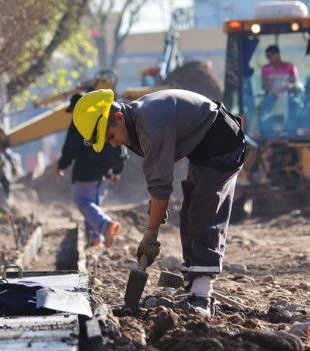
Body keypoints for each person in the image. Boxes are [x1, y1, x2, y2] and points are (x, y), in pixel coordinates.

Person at [72, 89, 246, 320]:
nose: (113, 145)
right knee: (189, 213)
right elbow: (158, 186)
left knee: (204, 213)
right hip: (202, 149)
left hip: (223, 143)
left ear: (118, 117)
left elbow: (162, 186)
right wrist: (156, 210)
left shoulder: (149, 126)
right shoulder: (134, 120)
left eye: (111, 136)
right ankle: (195, 286)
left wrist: (151, 233)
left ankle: (203, 294)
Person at [57, 93, 127, 248]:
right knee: (93, 205)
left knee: (83, 201)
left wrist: (62, 164)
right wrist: (117, 170)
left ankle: (106, 226)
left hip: (86, 170)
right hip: (104, 172)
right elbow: (119, 145)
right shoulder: (104, 118)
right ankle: (95, 240)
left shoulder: (80, 120)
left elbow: (71, 145)